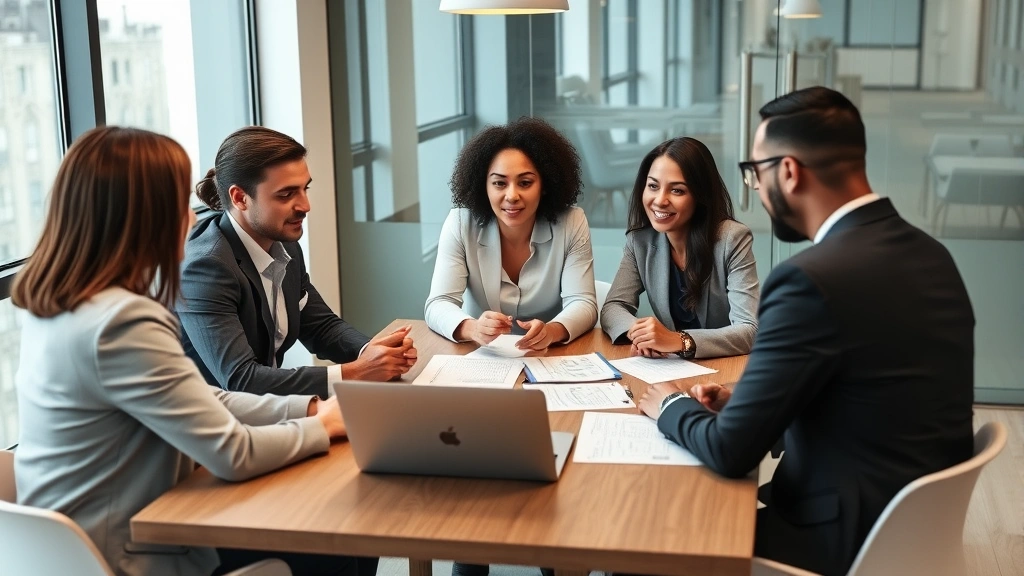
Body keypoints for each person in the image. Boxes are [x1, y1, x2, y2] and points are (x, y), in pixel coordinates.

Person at [637, 87, 975, 576]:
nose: (756, 188)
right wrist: (747, 396)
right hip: (911, 530)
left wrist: (669, 403)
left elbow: (732, 452)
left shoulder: (809, 280)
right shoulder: (932, 256)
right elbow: (873, 381)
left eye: (755, 173)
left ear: (789, 172)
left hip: (836, 540)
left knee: (639, 540)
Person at [12, 126, 360, 576]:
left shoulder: (58, 307)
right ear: (145, 218)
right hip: (126, 552)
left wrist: (311, 410)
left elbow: (200, 398)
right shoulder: (122, 321)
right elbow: (232, 454)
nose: (193, 220)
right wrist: (322, 428)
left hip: (66, 552)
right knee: (336, 536)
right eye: (180, 205)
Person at [180, 126, 417, 400]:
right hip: (207, 426)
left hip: (262, 411)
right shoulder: (205, 268)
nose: (305, 205)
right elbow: (240, 379)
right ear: (239, 198)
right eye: (286, 194)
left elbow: (320, 326)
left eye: (305, 189)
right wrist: (356, 371)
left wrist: (372, 351)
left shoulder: (283, 242)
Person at [424, 116, 597, 351]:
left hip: (549, 357)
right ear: (482, 185)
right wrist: (472, 328)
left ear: (545, 185)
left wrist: (551, 331)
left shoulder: (572, 223)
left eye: (525, 183)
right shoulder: (460, 223)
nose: (512, 195)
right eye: (499, 183)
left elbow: (584, 303)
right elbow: (438, 303)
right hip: (482, 357)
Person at [600, 137, 759, 359]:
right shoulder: (640, 242)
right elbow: (613, 307)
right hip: (669, 368)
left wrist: (679, 341)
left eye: (677, 191)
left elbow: (748, 330)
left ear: (699, 196)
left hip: (724, 368)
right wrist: (642, 334)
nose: (660, 200)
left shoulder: (732, 239)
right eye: (653, 186)